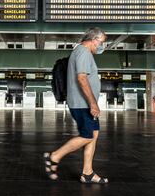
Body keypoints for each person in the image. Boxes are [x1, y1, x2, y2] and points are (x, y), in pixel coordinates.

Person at [44, 27, 108, 184]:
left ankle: (87, 173)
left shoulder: (82, 52)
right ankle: (54, 156)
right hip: (82, 104)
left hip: (83, 103)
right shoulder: (83, 52)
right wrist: (93, 103)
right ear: (94, 40)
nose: (102, 46)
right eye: (102, 42)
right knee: (87, 136)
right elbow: (82, 79)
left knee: (93, 135)